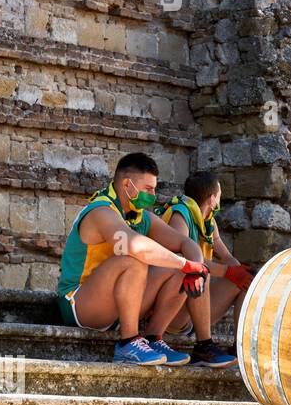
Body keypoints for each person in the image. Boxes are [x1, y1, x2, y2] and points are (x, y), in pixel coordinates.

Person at [57, 152, 211, 366]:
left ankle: (152, 339)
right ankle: (128, 342)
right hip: (80, 304)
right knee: (133, 259)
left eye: (154, 189)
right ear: (128, 185)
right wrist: (186, 263)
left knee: (178, 268)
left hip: (115, 306)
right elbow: (132, 244)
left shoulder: (141, 216)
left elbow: (186, 244)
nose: (153, 195)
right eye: (148, 189)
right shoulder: (101, 211)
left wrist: (196, 269)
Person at [156, 171, 249, 368]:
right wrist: (228, 272)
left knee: (245, 282)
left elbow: (225, 256)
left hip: (194, 305)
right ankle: (204, 347)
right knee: (198, 271)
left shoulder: (209, 220)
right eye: (220, 193)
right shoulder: (180, 215)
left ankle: (239, 348)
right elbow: (181, 262)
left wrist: (243, 271)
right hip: (172, 309)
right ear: (213, 198)